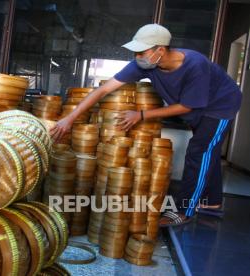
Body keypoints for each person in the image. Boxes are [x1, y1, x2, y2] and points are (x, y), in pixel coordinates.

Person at [50, 24, 242, 227]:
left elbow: (186, 106)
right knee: (207, 151)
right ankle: (212, 203)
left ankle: (184, 211)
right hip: (198, 107)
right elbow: (103, 90)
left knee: (199, 151)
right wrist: (69, 118)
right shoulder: (143, 64)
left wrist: (141, 115)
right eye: (135, 52)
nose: (137, 56)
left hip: (220, 105)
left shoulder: (195, 64)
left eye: (141, 52)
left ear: (160, 50)